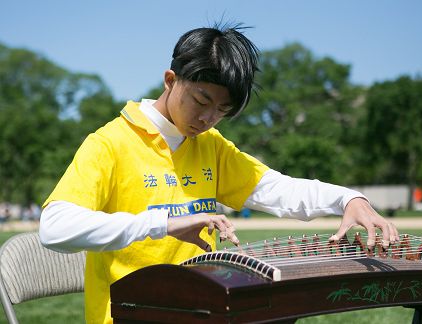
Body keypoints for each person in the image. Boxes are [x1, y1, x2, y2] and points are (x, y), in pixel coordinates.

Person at [39, 23, 399, 324]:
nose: (208, 118)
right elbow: (55, 227)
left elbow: (275, 189)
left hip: (202, 311)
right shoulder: (110, 143)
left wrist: (347, 197)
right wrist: (162, 224)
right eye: (201, 101)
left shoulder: (210, 145)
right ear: (170, 80)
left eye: (222, 110)